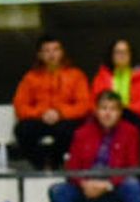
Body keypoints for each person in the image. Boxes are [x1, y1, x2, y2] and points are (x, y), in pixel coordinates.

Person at [50, 89, 140, 202]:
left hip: (114, 188)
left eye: (113, 109)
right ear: (96, 110)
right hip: (86, 189)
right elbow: (72, 169)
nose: (108, 113)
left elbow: (132, 167)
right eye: (103, 108)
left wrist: (107, 184)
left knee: (133, 185)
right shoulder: (81, 133)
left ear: (120, 112)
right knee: (58, 191)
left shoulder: (131, 132)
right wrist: (84, 184)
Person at [13, 34, 92, 169]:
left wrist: (60, 113)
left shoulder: (76, 75)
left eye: (55, 50)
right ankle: (41, 164)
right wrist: (42, 113)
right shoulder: (30, 77)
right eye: (47, 50)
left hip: (65, 119)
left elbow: (84, 104)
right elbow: (20, 105)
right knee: (22, 130)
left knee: (72, 131)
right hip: (40, 119)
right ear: (40, 55)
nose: (51, 54)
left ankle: (55, 162)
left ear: (62, 52)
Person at [91, 36, 140, 127]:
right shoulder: (102, 76)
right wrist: (111, 113)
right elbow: (95, 102)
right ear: (111, 55)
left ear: (131, 55)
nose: (121, 55)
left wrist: (120, 111)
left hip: (133, 118)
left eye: (125, 52)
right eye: (118, 52)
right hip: (106, 119)